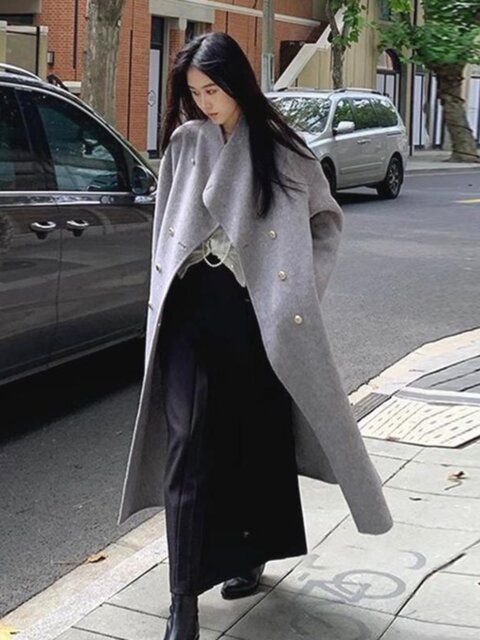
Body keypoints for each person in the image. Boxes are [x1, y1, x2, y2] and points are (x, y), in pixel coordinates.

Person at [118, 32, 393, 640]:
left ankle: (248, 553)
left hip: (253, 313)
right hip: (190, 310)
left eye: (212, 90)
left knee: (250, 437)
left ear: (238, 83)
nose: (204, 102)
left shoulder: (282, 148)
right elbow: (165, 226)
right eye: (195, 93)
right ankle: (183, 600)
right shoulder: (185, 144)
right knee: (187, 444)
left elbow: (326, 220)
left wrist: (298, 291)